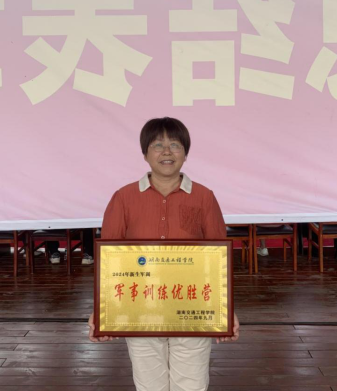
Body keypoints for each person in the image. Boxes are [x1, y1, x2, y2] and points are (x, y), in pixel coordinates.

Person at [87, 117, 240, 391]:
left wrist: (226, 311)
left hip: (193, 308)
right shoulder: (124, 197)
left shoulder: (204, 197)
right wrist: (101, 310)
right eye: (158, 145)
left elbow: (218, 260)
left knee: (192, 385)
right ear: (145, 153)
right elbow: (109, 260)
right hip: (140, 309)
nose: (167, 152)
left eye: (175, 145)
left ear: (186, 153)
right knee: (149, 385)